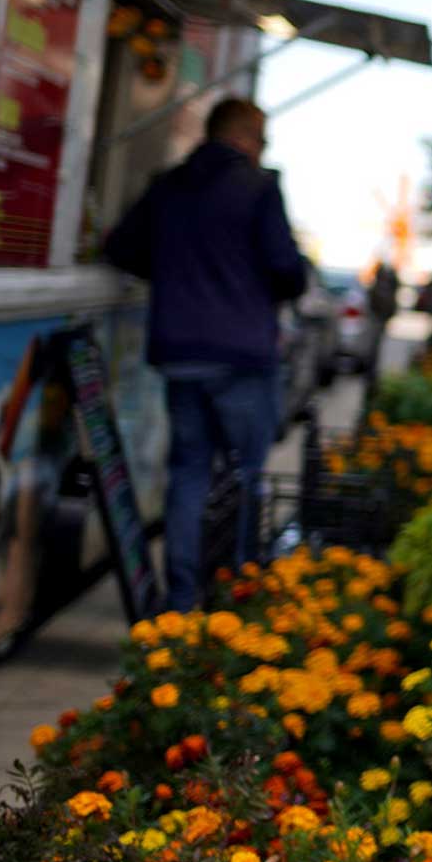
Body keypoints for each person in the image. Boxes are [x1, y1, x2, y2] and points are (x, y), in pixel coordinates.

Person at [105, 97, 308, 613]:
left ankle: (179, 599)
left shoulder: (168, 184)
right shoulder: (260, 187)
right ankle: (230, 598)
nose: (263, 150)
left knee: (190, 473)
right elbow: (287, 270)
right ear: (244, 135)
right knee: (244, 475)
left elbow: (121, 249)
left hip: (180, 352)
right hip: (241, 352)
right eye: (261, 140)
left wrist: (176, 278)